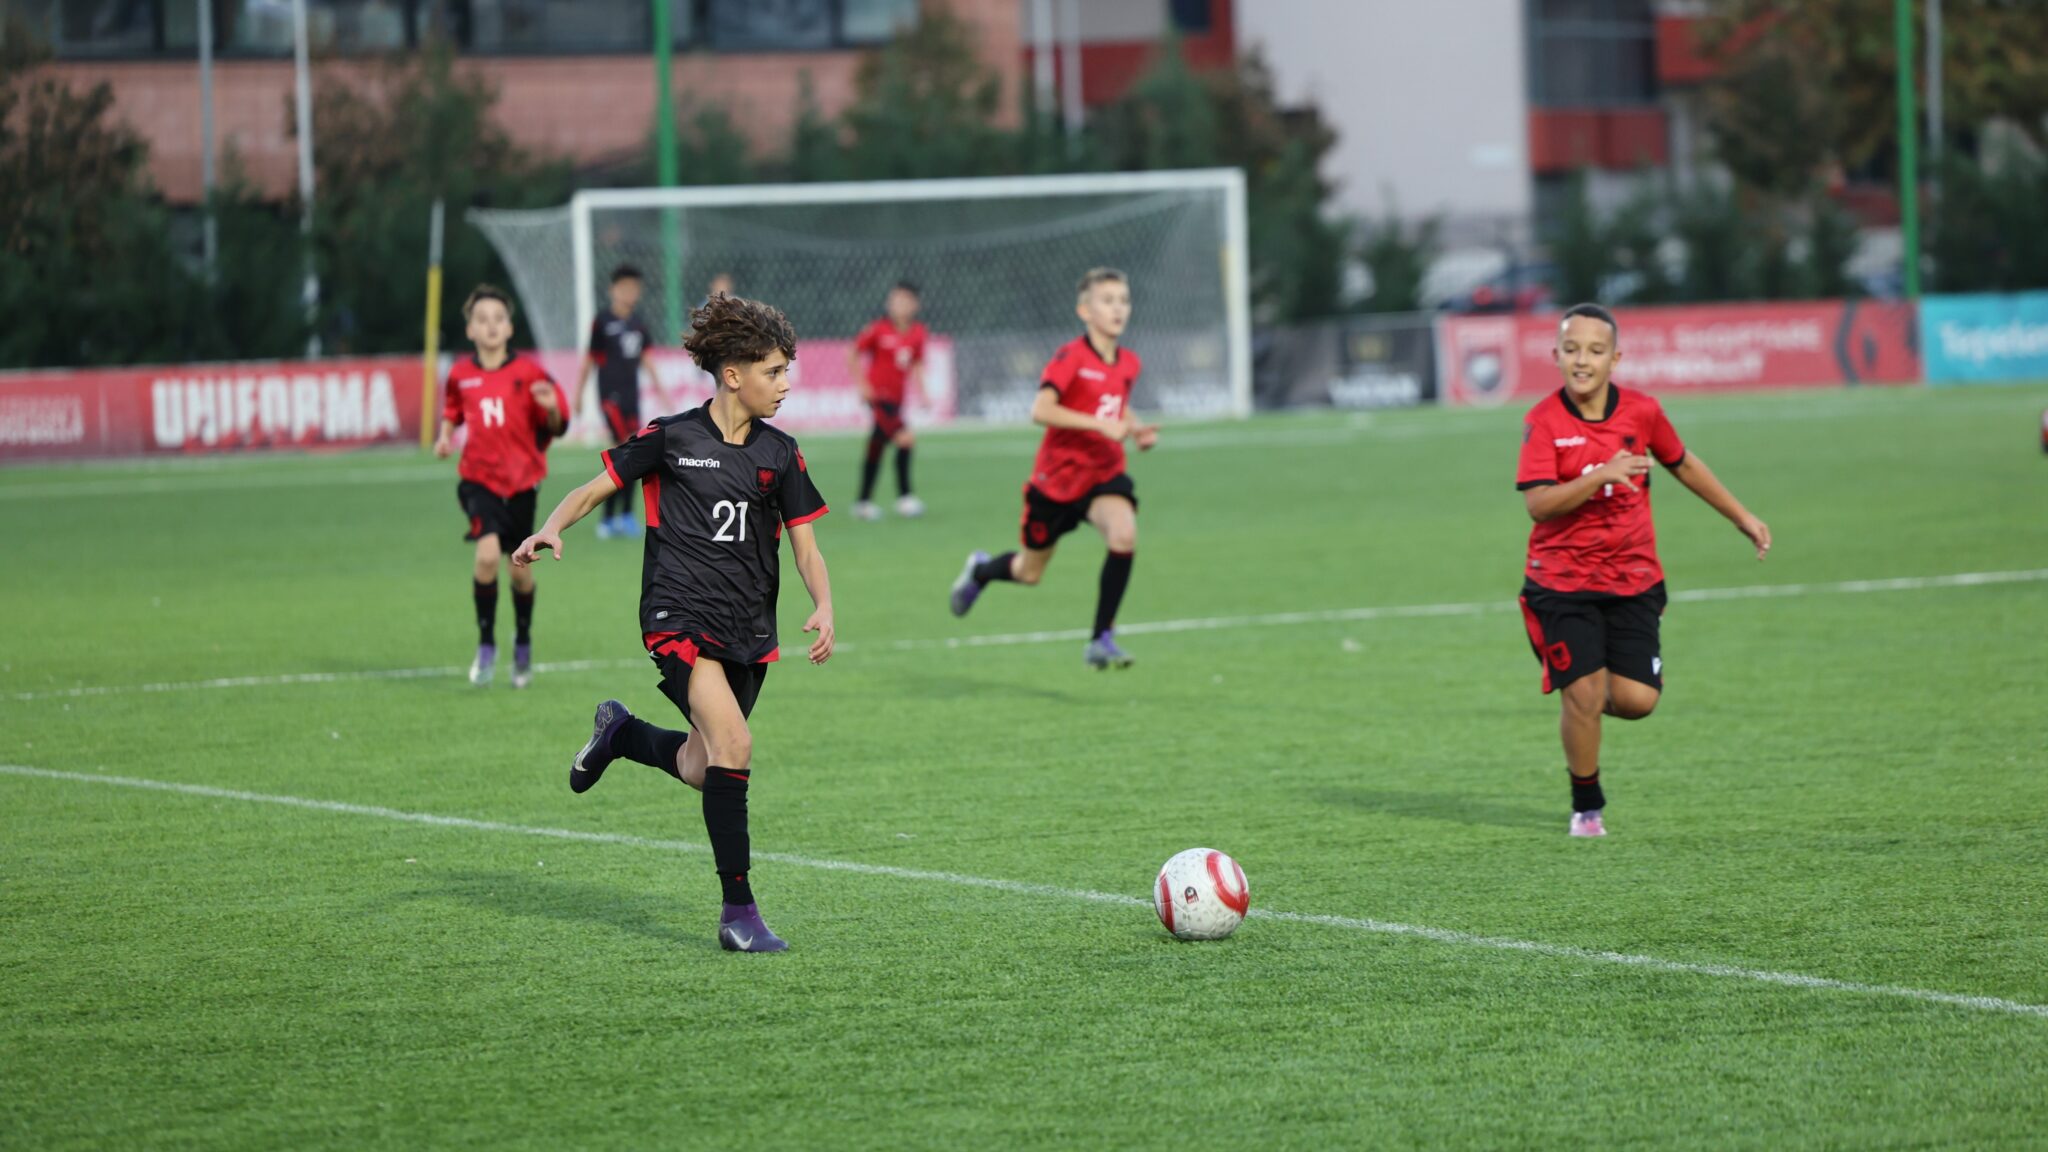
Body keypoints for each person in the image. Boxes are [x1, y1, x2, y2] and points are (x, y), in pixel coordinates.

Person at [513, 293, 834, 953]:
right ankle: (738, 914)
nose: (786, 383)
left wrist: (823, 602)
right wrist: (550, 525)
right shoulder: (673, 437)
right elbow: (594, 488)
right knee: (736, 748)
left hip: (748, 629)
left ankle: (622, 734)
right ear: (734, 374)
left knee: (700, 765)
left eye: (787, 369)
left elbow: (804, 543)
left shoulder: (781, 453)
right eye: (774, 371)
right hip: (676, 615)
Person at [1515, 303, 1772, 837]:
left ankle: (1579, 688)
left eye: (1594, 350)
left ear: (1616, 358)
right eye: (1571, 349)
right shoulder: (1543, 421)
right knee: (1583, 694)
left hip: (1634, 579)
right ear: (1555, 355)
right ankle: (1587, 807)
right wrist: (1602, 474)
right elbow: (1539, 505)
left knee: (1636, 701)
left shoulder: (1642, 412)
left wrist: (1741, 516)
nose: (1581, 360)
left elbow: (1684, 464)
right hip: (1561, 583)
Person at [948, 268, 1158, 669]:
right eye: (1107, 300)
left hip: (1103, 473)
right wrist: (1102, 425)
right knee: (1029, 572)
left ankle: (1101, 638)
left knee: (1124, 532)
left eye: (1123, 300)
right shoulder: (1070, 358)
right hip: (1057, 482)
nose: (1118, 308)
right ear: (1085, 310)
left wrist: (1135, 429)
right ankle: (980, 571)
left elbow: (1114, 403)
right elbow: (1040, 410)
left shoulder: (1129, 362)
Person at [433, 285, 566, 689]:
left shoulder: (529, 373)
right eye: (481, 320)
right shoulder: (461, 373)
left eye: (498, 319)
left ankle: (522, 642)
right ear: (470, 330)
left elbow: (558, 425)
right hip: (479, 480)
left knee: (518, 570)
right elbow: (453, 408)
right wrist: (444, 436)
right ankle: (487, 644)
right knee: (487, 557)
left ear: (509, 327)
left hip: (522, 483)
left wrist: (550, 409)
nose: (490, 326)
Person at [575, 265, 657, 539]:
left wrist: (662, 390)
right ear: (612, 290)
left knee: (632, 451)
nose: (629, 293)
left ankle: (624, 515)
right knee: (623, 448)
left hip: (631, 396)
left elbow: (646, 360)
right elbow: (589, 360)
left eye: (633, 289)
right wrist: (578, 395)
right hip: (609, 396)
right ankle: (609, 518)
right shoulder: (603, 321)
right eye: (623, 288)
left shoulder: (639, 324)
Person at [849, 280, 929, 520]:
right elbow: (852, 354)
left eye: (905, 301)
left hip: (897, 400)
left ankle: (863, 503)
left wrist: (923, 393)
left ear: (915, 305)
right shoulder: (877, 329)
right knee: (905, 439)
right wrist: (863, 386)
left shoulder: (918, 333)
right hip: (879, 398)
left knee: (876, 446)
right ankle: (905, 497)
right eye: (895, 300)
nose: (899, 305)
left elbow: (916, 365)